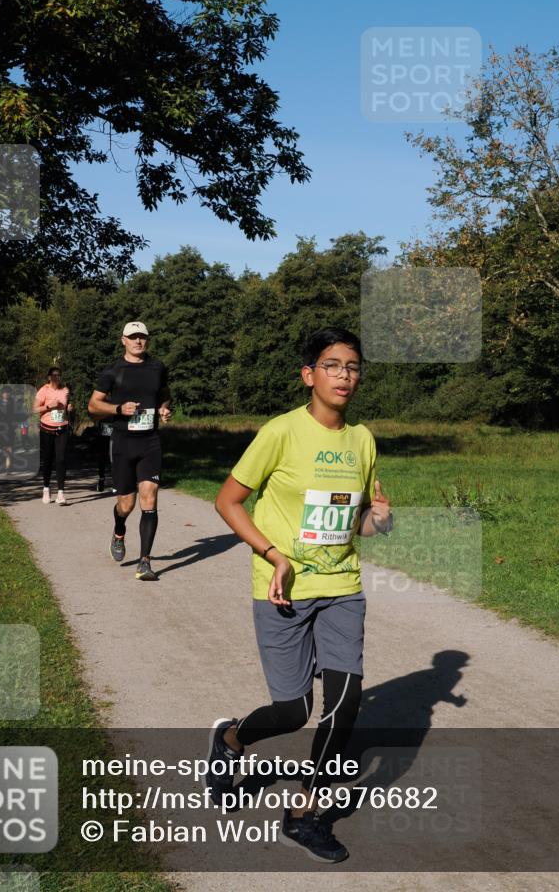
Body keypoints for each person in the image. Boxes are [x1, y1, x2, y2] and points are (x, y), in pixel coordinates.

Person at [212, 327, 392, 863]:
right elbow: (228, 501)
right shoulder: (281, 432)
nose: (345, 376)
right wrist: (275, 555)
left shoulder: (362, 439)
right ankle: (230, 741)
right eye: (333, 365)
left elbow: (357, 521)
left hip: (342, 588)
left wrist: (380, 520)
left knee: (344, 706)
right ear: (309, 375)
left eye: (353, 366)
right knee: (292, 712)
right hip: (283, 589)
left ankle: (304, 813)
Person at [88, 321, 171, 581]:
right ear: (123, 340)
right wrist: (117, 409)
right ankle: (119, 530)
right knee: (126, 504)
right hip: (123, 442)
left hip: (150, 442)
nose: (138, 341)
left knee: (150, 495)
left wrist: (164, 408)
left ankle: (144, 562)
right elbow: (93, 405)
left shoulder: (157, 367)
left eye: (142, 337)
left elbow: (165, 394)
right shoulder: (113, 371)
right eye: (133, 337)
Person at [34, 367, 73, 504]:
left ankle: (61, 493)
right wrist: (49, 406)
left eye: (59, 375)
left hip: (62, 428)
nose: (57, 378)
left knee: (61, 459)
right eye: (54, 375)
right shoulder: (43, 390)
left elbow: (67, 405)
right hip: (46, 429)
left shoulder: (65, 390)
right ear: (49, 377)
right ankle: (46, 489)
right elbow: (34, 409)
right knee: (48, 459)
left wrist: (69, 408)